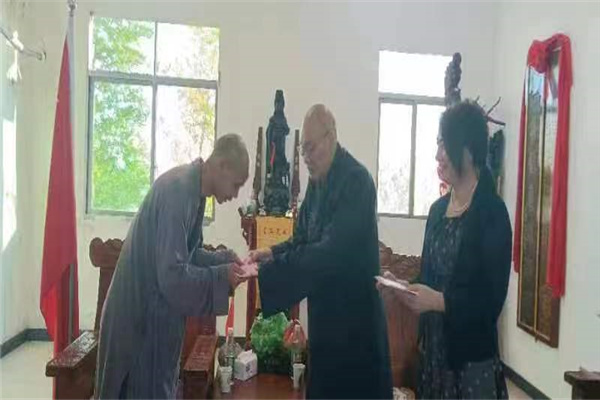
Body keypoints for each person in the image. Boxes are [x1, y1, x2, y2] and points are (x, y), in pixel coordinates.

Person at [95, 133, 258, 399]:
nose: (235, 194)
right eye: (236, 184)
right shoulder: (178, 191)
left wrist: (226, 259)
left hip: (155, 322)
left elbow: (189, 255)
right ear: (222, 165)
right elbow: (172, 276)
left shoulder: (194, 193)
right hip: (138, 325)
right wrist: (222, 277)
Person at [248, 104, 393, 399]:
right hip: (326, 330)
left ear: (332, 137)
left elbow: (329, 253)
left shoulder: (357, 182)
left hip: (356, 331)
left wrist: (271, 271)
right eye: (303, 150)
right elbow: (302, 240)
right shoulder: (316, 187)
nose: (306, 157)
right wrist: (272, 253)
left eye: (311, 148)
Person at [379, 101, 512, 399]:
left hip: (471, 362)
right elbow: (429, 278)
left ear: (467, 150)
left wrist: (440, 301)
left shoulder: (492, 213)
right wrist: (402, 287)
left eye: (444, 144)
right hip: (433, 357)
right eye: (437, 144)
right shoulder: (438, 211)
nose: (438, 155)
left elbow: (491, 302)